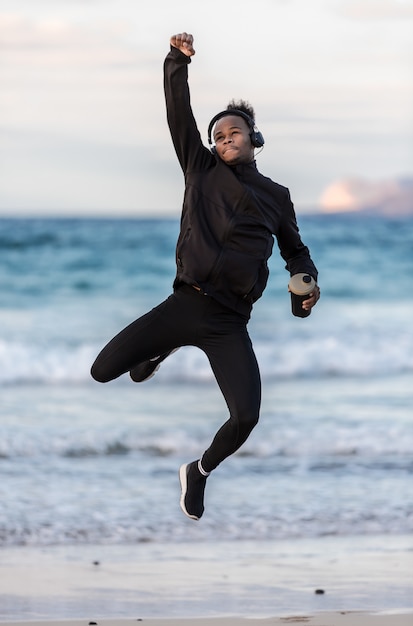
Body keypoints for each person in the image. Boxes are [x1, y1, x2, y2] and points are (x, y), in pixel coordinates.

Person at [91, 32, 320, 521]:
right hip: (185, 303)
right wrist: (178, 61)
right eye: (217, 136)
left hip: (228, 321)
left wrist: (304, 290)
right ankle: (161, 346)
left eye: (233, 132)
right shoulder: (199, 169)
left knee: (247, 416)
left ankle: (198, 471)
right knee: (102, 371)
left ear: (253, 139)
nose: (223, 139)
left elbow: (296, 254)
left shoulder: (276, 197)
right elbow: (179, 113)